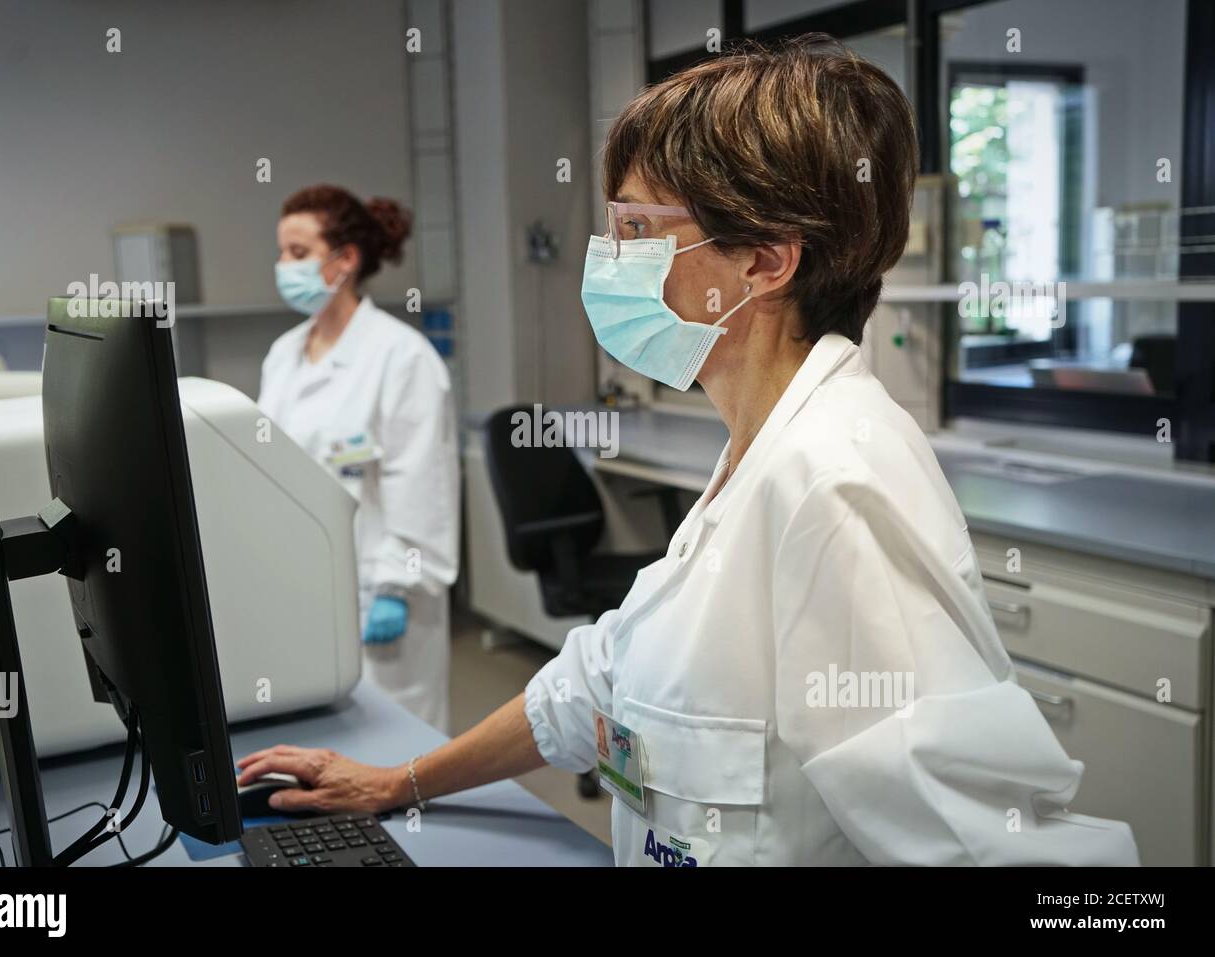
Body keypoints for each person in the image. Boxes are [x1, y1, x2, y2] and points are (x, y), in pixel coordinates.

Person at [239, 38, 1139, 866]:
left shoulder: (835, 484)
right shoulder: (751, 458)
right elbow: (595, 687)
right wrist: (400, 783)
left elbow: (995, 851)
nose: (608, 258)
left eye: (637, 231)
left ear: (765, 262)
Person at [258, 184, 458, 732]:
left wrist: (397, 588)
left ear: (345, 260)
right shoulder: (283, 356)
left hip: (382, 595)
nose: (283, 266)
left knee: (395, 746)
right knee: (317, 743)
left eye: (298, 253)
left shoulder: (401, 358)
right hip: (302, 583)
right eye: (281, 253)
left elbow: (421, 485)